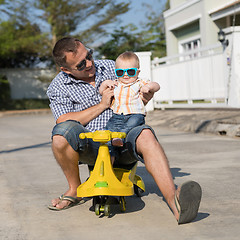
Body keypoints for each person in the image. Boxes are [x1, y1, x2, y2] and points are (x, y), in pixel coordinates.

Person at [47, 37, 202, 224]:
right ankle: (74, 189)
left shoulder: (112, 66)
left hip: (126, 138)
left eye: (89, 55)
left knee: (145, 133)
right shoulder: (58, 86)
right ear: (66, 69)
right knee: (60, 134)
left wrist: (144, 98)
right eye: (81, 65)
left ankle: (175, 200)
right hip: (92, 146)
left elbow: (135, 94)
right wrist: (103, 105)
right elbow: (63, 119)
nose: (89, 64)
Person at [99, 51, 160, 158]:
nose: (125, 74)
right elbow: (101, 91)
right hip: (117, 115)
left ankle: (120, 138)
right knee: (109, 129)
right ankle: (109, 149)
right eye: (120, 72)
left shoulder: (139, 83)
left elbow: (157, 85)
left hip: (135, 114)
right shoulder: (115, 83)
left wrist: (149, 87)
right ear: (116, 72)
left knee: (131, 125)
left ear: (138, 72)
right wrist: (105, 84)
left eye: (131, 71)